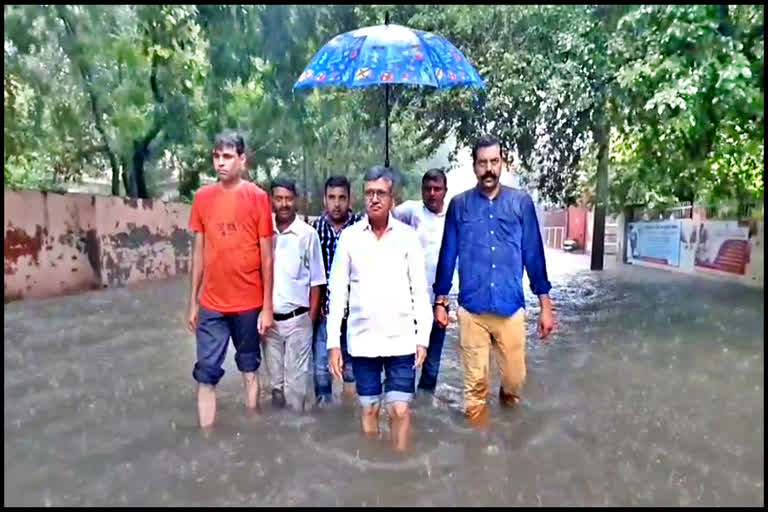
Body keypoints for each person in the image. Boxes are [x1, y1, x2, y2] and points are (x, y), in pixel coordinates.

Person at [432, 134, 555, 424]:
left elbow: (534, 255)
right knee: (474, 390)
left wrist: (546, 307)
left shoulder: (520, 203)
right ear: (474, 166)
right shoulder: (459, 206)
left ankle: (508, 419)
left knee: (515, 380)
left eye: (494, 162)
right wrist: (440, 300)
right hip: (472, 310)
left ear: (503, 163)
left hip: (510, 307)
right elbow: (447, 254)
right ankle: (479, 452)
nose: (489, 168)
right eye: (482, 163)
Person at [327, 166, 431, 451]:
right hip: (363, 341)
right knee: (370, 408)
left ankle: (399, 461)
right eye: (369, 193)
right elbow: (337, 294)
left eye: (381, 193)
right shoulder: (349, 238)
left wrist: (423, 338)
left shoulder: (408, 237)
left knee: (399, 410)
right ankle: (372, 462)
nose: (374, 199)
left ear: (392, 199)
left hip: (401, 340)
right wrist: (333, 343)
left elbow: (420, 291)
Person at [186, 131, 274, 429]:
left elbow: (267, 257)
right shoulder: (202, 198)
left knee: (250, 369)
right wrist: (192, 303)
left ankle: (252, 429)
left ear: (242, 160)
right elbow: (198, 252)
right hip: (212, 304)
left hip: (249, 303)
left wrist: (267, 307)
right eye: (216, 156)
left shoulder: (258, 198)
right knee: (206, 374)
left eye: (227, 157)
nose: (220, 163)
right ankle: (206, 437)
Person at [264, 178, 326, 412]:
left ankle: (297, 433)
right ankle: (278, 439)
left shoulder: (307, 235)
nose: (283, 204)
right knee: (276, 387)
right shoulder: (263, 232)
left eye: (288, 199)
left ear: (296, 201)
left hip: (299, 320)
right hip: (269, 322)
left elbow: (317, 282)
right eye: (278, 199)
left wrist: (309, 320)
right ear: (271, 200)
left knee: (295, 389)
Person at [392, 168, 456, 394]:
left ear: (445, 191)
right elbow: (386, 220)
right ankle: (403, 400)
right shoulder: (410, 210)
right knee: (406, 357)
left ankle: (425, 405)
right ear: (422, 190)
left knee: (433, 361)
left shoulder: (453, 217)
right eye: (427, 188)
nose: (432, 193)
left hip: (440, 300)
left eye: (437, 189)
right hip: (409, 301)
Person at [311, 176, 362, 405]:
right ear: (325, 199)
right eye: (332, 197)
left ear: (350, 199)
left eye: (342, 197)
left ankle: (349, 423)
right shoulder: (315, 229)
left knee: (352, 374)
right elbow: (310, 275)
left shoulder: (362, 227)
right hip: (324, 314)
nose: (337, 203)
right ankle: (326, 428)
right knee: (322, 372)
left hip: (355, 315)